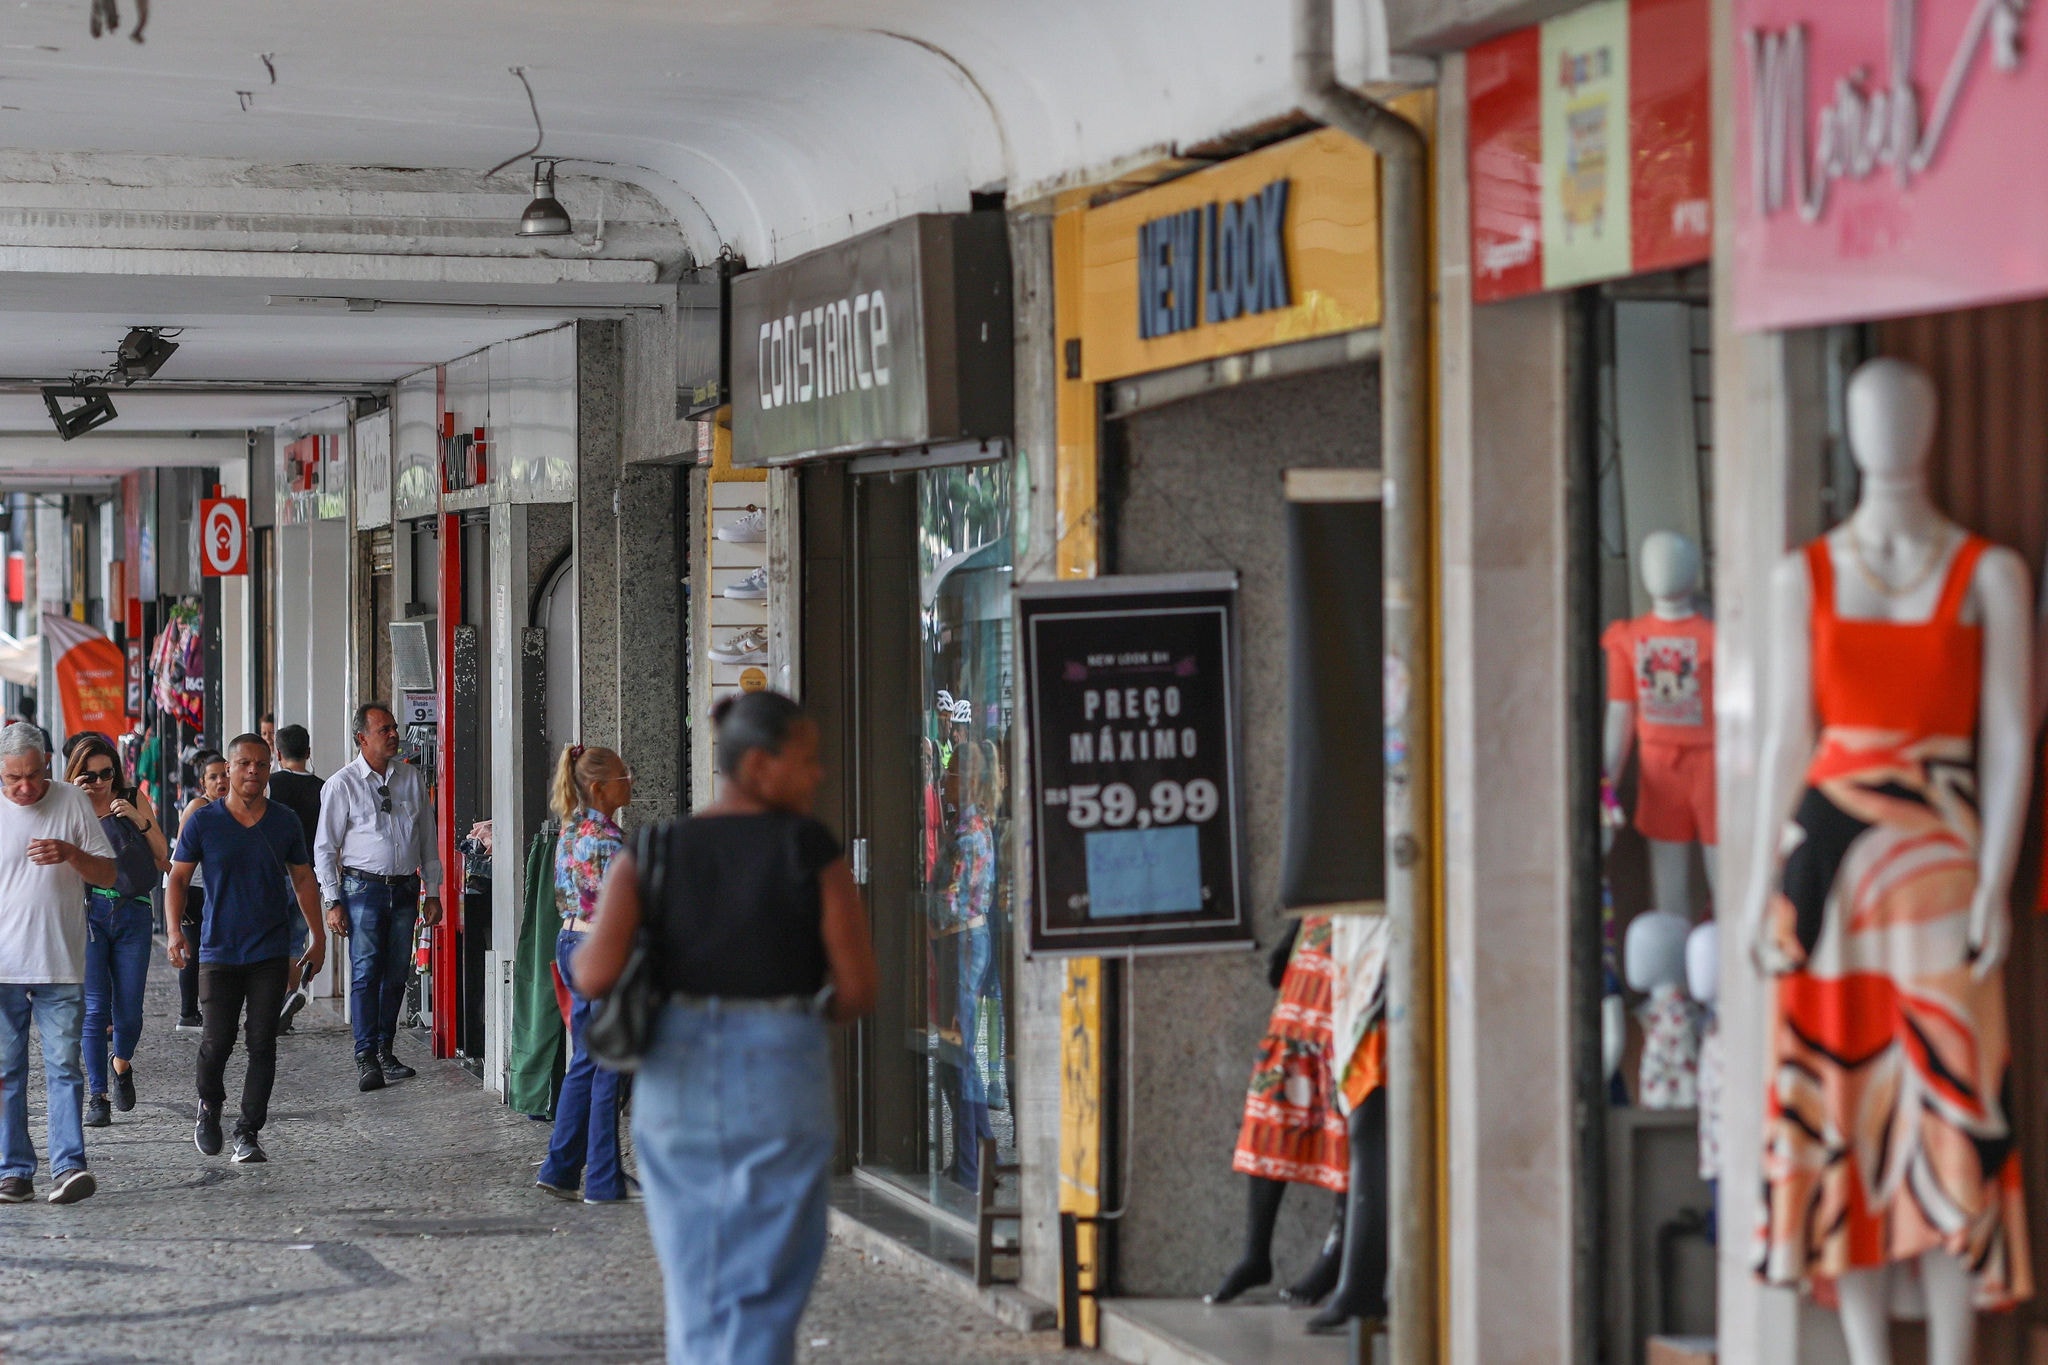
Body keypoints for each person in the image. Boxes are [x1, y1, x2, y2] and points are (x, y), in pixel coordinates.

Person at [577, 692, 877, 1365]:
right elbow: (857, 988)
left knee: (697, 1282)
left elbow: (594, 973)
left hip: (676, 1081)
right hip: (781, 1074)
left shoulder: (653, 849)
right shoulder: (812, 851)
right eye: (808, 761)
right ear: (761, 765)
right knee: (765, 1286)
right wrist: (797, 1007)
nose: (818, 775)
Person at [166, 733, 325, 1163]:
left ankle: (248, 1131)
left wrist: (317, 935)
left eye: (260, 764)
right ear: (228, 770)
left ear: (270, 766)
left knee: (262, 1042)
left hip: (270, 951)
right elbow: (178, 878)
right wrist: (175, 932)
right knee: (217, 1041)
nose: (252, 771)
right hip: (218, 950)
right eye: (244, 765)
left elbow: (304, 879)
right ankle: (210, 1106)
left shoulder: (284, 821)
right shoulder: (204, 821)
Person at [0, 722, 117, 1204]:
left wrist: (72, 854)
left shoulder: (70, 801)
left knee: (65, 1067)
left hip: (62, 961)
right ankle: (13, 1171)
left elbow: (109, 873)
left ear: (47, 762)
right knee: (6, 1071)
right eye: (12, 779)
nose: (24, 787)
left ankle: (68, 1167)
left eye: (31, 775)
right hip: (3, 966)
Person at [315, 702, 441, 1092]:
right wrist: (332, 900)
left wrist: (432, 892)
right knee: (366, 972)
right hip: (362, 889)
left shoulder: (411, 778)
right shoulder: (342, 784)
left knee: (395, 974)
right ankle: (365, 1054)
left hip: (405, 888)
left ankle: (386, 1049)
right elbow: (325, 848)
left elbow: (427, 840)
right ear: (361, 738)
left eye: (393, 728)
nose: (392, 734)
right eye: (383, 729)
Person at [535, 743, 635, 1205]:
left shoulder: (571, 829)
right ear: (599, 787)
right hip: (600, 948)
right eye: (621, 775)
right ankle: (602, 1180)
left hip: (570, 942)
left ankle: (560, 1169)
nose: (629, 780)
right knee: (607, 1066)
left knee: (585, 1063)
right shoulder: (610, 841)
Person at [67, 736, 170, 1129]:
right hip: (88, 914)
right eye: (89, 775)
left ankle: (121, 1063)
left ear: (115, 771)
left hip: (132, 913)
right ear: (76, 775)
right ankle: (98, 1095)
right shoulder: (68, 806)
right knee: (94, 1011)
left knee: (129, 1013)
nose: (98, 782)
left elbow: (163, 855)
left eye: (105, 773)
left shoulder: (130, 797)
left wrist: (137, 817)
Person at [267, 724, 323, 1030]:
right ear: (308, 752)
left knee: (272, 940)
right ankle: (287, 1001)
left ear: (277, 753)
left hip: (276, 873)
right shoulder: (322, 787)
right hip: (309, 875)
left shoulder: (270, 784)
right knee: (295, 943)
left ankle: (276, 1003)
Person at [172, 752, 228, 1032]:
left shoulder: (233, 808)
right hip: (194, 890)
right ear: (203, 783)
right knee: (192, 952)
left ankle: (212, 1008)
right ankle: (188, 1012)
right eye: (214, 777)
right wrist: (178, 902)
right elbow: (180, 857)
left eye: (224, 775)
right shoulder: (198, 807)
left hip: (218, 890)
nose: (221, 781)